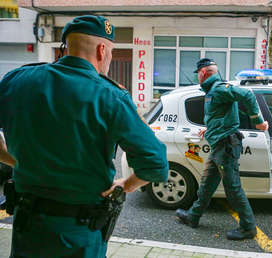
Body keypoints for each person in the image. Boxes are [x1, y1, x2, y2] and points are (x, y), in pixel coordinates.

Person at [0, 15, 169, 257]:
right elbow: (155, 163)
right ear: (102, 50)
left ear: (66, 47)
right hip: (80, 232)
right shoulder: (110, 96)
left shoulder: (16, 81)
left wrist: (17, 160)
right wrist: (126, 184)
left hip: (28, 225)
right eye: (111, 51)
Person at [175, 58, 269, 240]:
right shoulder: (213, 91)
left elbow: (247, 95)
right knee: (207, 184)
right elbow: (220, 115)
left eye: (198, 75)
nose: (198, 78)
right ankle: (193, 217)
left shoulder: (218, 88)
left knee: (233, 189)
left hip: (226, 146)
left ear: (203, 73)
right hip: (218, 144)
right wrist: (209, 128)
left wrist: (258, 122)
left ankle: (248, 228)